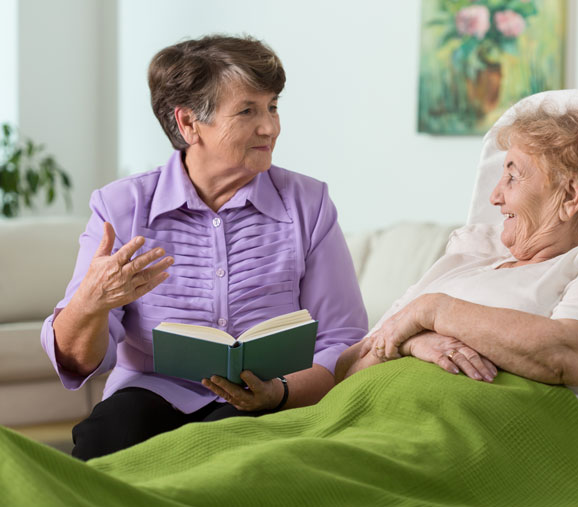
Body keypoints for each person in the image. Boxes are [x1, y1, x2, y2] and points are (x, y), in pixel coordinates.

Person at [41, 34, 368, 460]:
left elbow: (342, 339)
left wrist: (279, 393)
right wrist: (90, 302)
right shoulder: (120, 207)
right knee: (105, 438)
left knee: (226, 450)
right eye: (248, 110)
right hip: (151, 391)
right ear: (188, 123)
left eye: (272, 106)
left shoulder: (309, 203)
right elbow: (81, 361)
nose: (270, 126)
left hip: (270, 398)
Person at [335, 101, 578, 446]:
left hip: (461, 449)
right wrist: (414, 341)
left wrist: (434, 312)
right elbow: (346, 368)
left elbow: (569, 353)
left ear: (569, 195)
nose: (494, 196)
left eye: (512, 175)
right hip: (358, 426)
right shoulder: (467, 261)